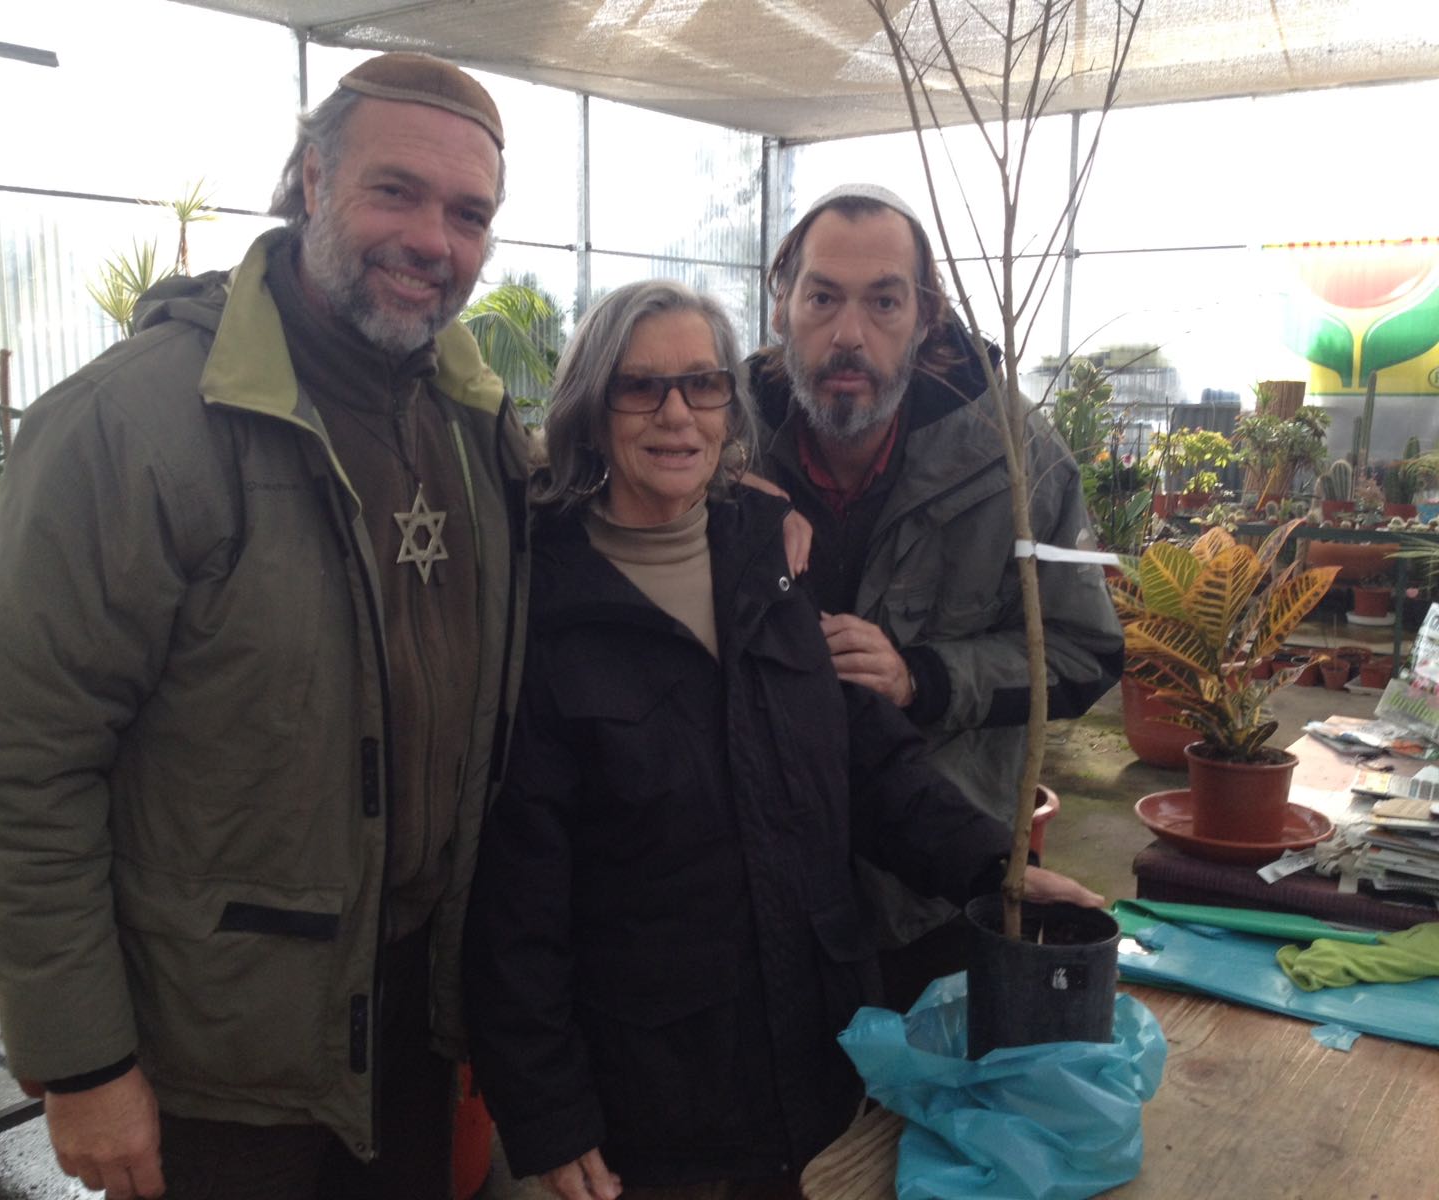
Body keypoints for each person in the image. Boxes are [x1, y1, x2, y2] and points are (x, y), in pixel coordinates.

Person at [0, 53, 530, 1200]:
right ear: (310, 181)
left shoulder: (469, 423)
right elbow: (24, 763)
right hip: (217, 1058)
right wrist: (83, 1062)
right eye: (395, 192)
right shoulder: (135, 425)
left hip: (413, 1025)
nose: (432, 240)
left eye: (468, 215)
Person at [461, 279, 1105, 1200]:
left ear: (732, 408)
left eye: (703, 384)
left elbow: (867, 758)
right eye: (641, 387)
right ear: (592, 410)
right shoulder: (547, 607)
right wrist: (548, 1109)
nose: (677, 414)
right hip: (653, 1092)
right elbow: (517, 898)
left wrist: (992, 868)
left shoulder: (766, 562)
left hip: (813, 1057)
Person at [746, 184, 1125, 996]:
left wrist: (926, 676)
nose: (849, 335)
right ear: (780, 306)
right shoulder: (715, 438)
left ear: (928, 318)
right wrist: (724, 493)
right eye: (822, 298)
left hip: (933, 890)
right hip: (754, 890)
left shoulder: (1018, 460)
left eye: (884, 302)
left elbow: (1084, 650)